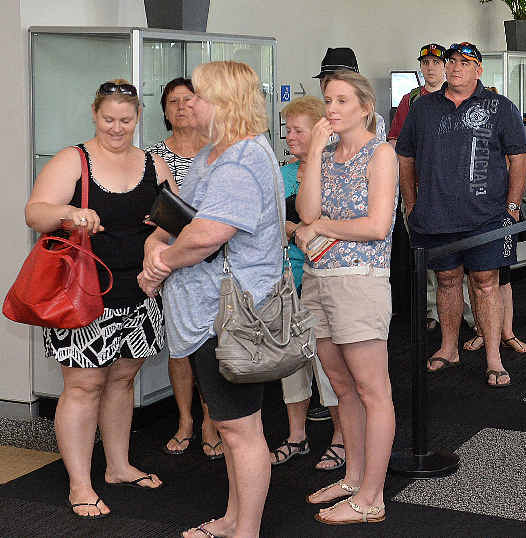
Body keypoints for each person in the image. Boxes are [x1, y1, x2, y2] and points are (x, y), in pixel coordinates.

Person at [139, 61, 280, 538]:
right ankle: (234, 520)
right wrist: (156, 242)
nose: (188, 103)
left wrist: (160, 262)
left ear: (223, 102)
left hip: (230, 317)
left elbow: (205, 236)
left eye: (197, 95)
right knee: (235, 427)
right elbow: (180, 218)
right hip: (212, 313)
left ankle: (245, 530)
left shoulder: (240, 161)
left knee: (241, 430)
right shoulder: (216, 155)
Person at [26, 79, 171, 519]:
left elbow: (175, 216)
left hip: (140, 292)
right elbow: (35, 212)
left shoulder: (153, 163)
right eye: (109, 119)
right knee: (84, 386)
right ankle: (80, 484)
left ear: (138, 117)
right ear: (94, 114)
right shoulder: (74, 160)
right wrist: (69, 213)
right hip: (84, 295)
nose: (117, 127)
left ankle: (118, 466)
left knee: (123, 380)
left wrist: (161, 234)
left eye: (126, 120)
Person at [293, 69, 397, 526]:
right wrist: (315, 150)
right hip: (318, 278)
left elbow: (376, 225)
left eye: (341, 101)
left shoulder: (381, 153)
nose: (331, 109)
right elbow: (306, 211)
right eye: (328, 101)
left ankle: (372, 495)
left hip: (360, 281)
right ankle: (354, 477)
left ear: (365, 108)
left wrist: (320, 228)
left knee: (373, 389)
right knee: (341, 386)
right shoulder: (327, 154)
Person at [396, 42, 526, 388]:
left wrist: (513, 206)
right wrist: (411, 203)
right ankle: (449, 347)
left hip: (487, 217)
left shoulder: (500, 106)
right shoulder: (423, 108)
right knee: (446, 280)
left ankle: (494, 357)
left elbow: (519, 157)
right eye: (452, 61)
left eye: (465, 63)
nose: (456, 67)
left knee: (486, 282)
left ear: (478, 70)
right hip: (436, 215)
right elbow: (405, 156)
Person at [267, 96, 347, 472]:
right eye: (288, 130)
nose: (290, 137)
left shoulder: (336, 172)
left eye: (298, 130)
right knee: (291, 364)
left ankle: (341, 437)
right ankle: (296, 436)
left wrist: (297, 228)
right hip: (287, 284)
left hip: (326, 282)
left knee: (329, 366)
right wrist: (290, 229)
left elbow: (338, 228)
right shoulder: (281, 174)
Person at [146, 77, 222, 460]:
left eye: (187, 99)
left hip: (213, 258)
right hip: (172, 260)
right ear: (164, 110)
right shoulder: (153, 155)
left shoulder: (218, 151)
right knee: (179, 346)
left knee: (210, 343)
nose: (180, 107)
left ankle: (211, 419)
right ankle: (185, 419)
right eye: (172, 101)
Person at [386, 44, 476, 332]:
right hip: (419, 188)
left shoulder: (460, 98)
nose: (430, 68)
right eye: (425, 63)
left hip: (455, 191)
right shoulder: (411, 101)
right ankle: (433, 311)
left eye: (436, 62)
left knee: (462, 256)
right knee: (425, 255)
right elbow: (396, 142)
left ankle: (467, 312)